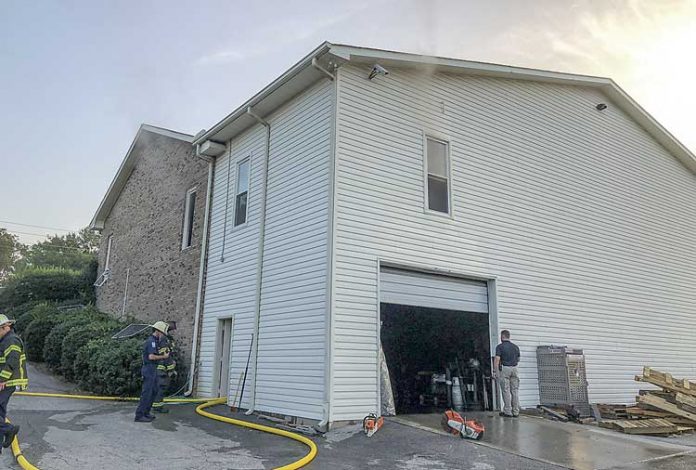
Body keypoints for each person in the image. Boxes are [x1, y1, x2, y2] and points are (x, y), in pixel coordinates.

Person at [0, 314, 28, 450]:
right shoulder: (5, 340)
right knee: (0, 414)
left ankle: (9, 429)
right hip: (5, 381)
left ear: (6, 327)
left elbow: (12, 361)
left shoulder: (11, 340)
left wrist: (2, 379)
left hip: (7, 382)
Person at [134, 321, 170, 423]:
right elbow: (151, 356)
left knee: (153, 391)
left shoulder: (155, 341)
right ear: (158, 331)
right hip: (149, 369)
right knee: (147, 393)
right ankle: (139, 415)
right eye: (162, 333)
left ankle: (146, 413)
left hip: (153, 369)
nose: (163, 335)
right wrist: (164, 356)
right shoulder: (151, 341)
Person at [493, 329, 520, 418]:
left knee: (506, 390)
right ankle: (516, 411)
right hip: (515, 368)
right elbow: (518, 359)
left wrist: (495, 371)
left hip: (505, 368)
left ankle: (508, 411)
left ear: (502, 336)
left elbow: (497, 359)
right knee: (515, 391)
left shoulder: (500, 347)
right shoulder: (515, 347)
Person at [152, 322, 177, 414]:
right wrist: (171, 369)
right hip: (162, 369)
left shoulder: (163, 339)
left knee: (159, 388)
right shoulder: (164, 340)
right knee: (161, 388)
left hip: (160, 368)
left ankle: (157, 406)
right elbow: (165, 355)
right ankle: (157, 407)